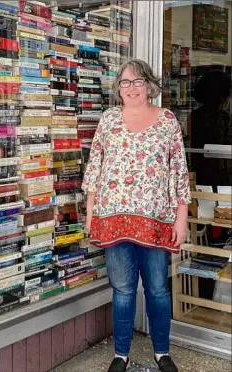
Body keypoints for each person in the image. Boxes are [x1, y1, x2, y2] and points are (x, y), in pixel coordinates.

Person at [81, 58, 191, 372]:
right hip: (113, 217)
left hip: (156, 219)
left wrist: (180, 216)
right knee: (123, 289)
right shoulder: (108, 120)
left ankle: (161, 352)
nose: (132, 88)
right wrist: (91, 213)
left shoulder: (167, 120)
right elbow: (96, 168)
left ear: (150, 86)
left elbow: (178, 172)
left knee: (157, 288)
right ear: (119, 87)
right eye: (126, 82)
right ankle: (121, 355)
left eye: (138, 81)